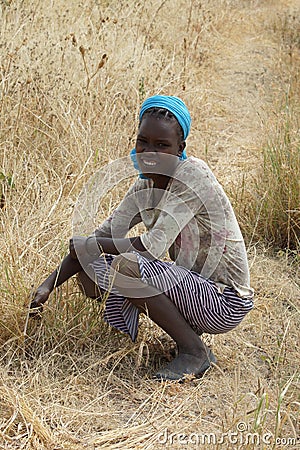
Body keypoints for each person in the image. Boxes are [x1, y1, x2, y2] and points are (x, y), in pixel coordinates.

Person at [30, 95, 254, 381]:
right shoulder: (145, 185)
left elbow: (151, 247)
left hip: (225, 300)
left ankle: (193, 351)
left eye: (162, 146)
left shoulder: (193, 177)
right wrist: (48, 284)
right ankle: (188, 341)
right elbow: (101, 236)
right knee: (90, 268)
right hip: (192, 290)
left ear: (180, 148)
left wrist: (93, 245)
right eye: (143, 142)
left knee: (126, 264)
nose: (150, 152)